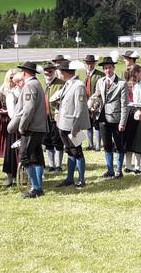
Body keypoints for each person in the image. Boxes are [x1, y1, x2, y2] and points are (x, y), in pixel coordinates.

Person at [14, 62, 48, 198]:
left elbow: (28, 109)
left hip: (32, 127)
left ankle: (36, 187)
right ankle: (38, 186)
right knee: (36, 157)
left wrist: (22, 126)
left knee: (25, 156)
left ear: (24, 73)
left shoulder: (29, 85)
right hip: (39, 127)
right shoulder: (37, 83)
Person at [55, 60, 90, 188]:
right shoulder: (68, 83)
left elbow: (80, 109)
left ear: (65, 72)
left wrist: (76, 127)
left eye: (60, 72)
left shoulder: (78, 85)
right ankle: (69, 178)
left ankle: (81, 179)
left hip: (72, 125)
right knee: (69, 151)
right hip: (64, 124)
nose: (59, 74)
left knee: (77, 152)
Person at [93, 56, 129, 178]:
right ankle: (110, 170)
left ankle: (119, 170)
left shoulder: (122, 83)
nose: (107, 70)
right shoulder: (100, 82)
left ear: (113, 68)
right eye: (105, 68)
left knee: (119, 145)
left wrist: (122, 122)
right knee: (107, 145)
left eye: (109, 68)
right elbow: (98, 98)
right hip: (103, 117)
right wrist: (94, 106)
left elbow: (125, 105)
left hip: (116, 118)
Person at [125, 65, 141, 174]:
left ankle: (128, 165)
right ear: (136, 73)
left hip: (127, 113)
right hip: (137, 111)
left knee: (129, 139)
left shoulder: (126, 84)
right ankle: (137, 166)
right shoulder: (139, 86)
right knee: (138, 140)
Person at [43, 61, 65, 172]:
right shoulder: (43, 84)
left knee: (57, 141)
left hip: (57, 118)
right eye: (46, 72)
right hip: (45, 117)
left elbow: (63, 101)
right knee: (47, 142)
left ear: (54, 71)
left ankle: (58, 165)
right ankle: (51, 165)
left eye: (50, 71)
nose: (48, 73)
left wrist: (57, 112)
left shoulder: (61, 84)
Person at [2, 72, 24, 186]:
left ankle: (23, 176)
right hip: (15, 126)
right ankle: (10, 177)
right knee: (12, 152)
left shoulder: (25, 92)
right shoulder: (12, 94)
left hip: (25, 125)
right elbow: (12, 113)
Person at [83, 55, 104, 151]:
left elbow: (101, 91)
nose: (89, 65)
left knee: (96, 124)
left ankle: (98, 145)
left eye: (91, 63)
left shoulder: (100, 75)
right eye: (88, 63)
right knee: (88, 125)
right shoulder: (85, 75)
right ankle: (90, 144)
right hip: (86, 104)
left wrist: (95, 104)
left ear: (94, 64)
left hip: (96, 104)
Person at [0, 69, 16, 160]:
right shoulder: (3, 89)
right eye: (11, 77)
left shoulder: (18, 87)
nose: (12, 79)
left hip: (13, 115)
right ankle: (3, 151)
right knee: (4, 134)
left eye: (14, 77)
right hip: (4, 116)